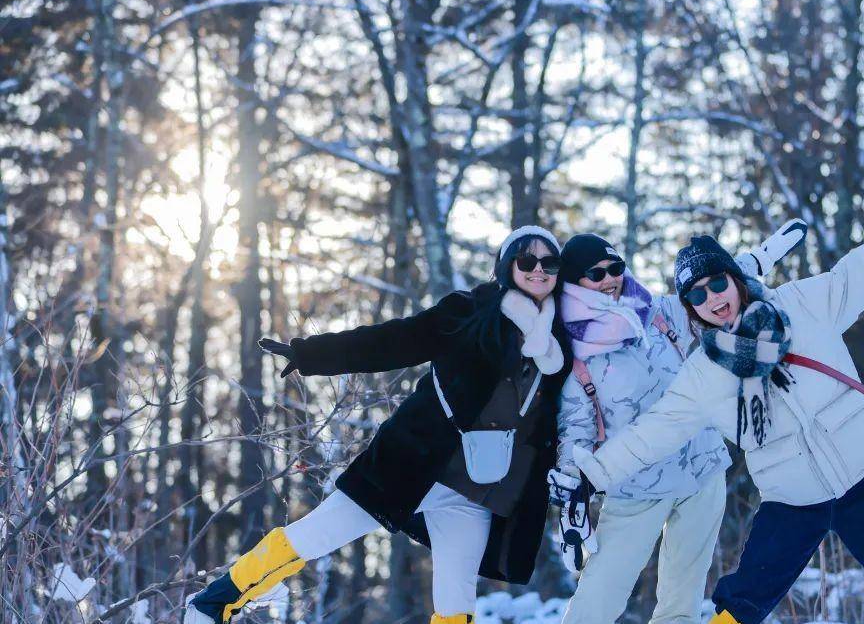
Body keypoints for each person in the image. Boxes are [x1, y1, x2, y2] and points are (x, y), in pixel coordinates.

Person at [572, 185, 864, 624]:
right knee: (743, 600)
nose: (714, 299)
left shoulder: (800, 304)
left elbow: (861, 270)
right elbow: (656, 430)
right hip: (792, 495)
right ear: (691, 309)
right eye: (698, 296)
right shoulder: (705, 370)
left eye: (718, 283)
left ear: (734, 279)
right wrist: (593, 473)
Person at [184, 226, 573, 624]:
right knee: (316, 535)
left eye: (549, 262)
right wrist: (311, 354)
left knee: (456, 604)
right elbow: (393, 340)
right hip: (409, 465)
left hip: (474, 491)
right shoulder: (468, 312)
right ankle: (212, 605)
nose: (539, 270)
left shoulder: (560, 341)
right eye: (527, 261)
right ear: (508, 267)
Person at [548, 221, 806, 624]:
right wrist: (570, 488)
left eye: (615, 268)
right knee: (596, 603)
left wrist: (762, 256)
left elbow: (715, 289)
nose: (610, 280)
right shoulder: (576, 352)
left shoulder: (661, 312)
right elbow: (574, 432)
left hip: (701, 473)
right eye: (596, 274)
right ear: (574, 283)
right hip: (635, 488)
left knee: (681, 605)